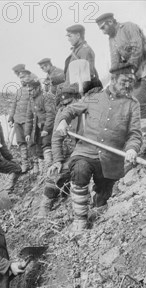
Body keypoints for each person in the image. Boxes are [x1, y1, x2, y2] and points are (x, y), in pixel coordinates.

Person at [56, 64, 142, 231]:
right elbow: (71, 109)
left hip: (111, 158)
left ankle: (98, 213)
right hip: (86, 152)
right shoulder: (94, 98)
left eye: (131, 82)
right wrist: (63, 121)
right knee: (80, 169)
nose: (128, 85)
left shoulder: (133, 105)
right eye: (124, 81)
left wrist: (132, 149)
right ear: (114, 80)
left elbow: (135, 134)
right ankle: (80, 220)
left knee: (103, 198)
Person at [95, 13, 146, 136]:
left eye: (103, 27)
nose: (103, 32)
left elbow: (137, 48)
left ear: (110, 22)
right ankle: (135, 135)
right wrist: (115, 79)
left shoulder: (129, 27)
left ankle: (144, 136)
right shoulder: (111, 39)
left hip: (145, 68)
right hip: (132, 71)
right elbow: (115, 61)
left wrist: (131, 70)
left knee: (138, 101)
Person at [39, 84, 82, 217]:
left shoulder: (86, 110)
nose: (66, 108)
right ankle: (45, 205)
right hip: (72, 155)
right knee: (54, 172)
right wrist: (57, 161)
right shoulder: (61, 114)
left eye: (69, 103)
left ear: (77, 99)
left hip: (88, 153)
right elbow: (56, 140)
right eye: (63, 105)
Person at [24, 79, 57, 175]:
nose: (30, 93)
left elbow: (51, 115)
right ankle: (42, 174)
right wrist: (27, 133)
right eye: (28, 91)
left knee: (46, 146)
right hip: (38, 129)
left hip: (48, 128)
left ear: (38, 88)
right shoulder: (31, 100)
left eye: (31, 90)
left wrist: (46, 129)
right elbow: (29, 117)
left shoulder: (46, 97)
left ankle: (49, 172)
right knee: (38, 150)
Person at [63, 24, 102, 94]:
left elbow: (87, 77)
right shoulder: (77, 50)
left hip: (80, 93)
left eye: (70, 36)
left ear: (78, 35)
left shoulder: (84, 50)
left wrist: (80, 95)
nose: (68, 39)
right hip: (73, 91)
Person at [8, 64, 32, 173]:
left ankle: (35, 164)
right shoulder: (18, 91)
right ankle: (25, 164)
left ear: (29, 77)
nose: (22, 79)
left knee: (31, 142)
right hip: (17, 121)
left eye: (24, 77)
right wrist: (10, 118)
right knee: (21, 142)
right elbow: (13, 105)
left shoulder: (33, 90)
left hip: (27, 120)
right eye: (20, 78)